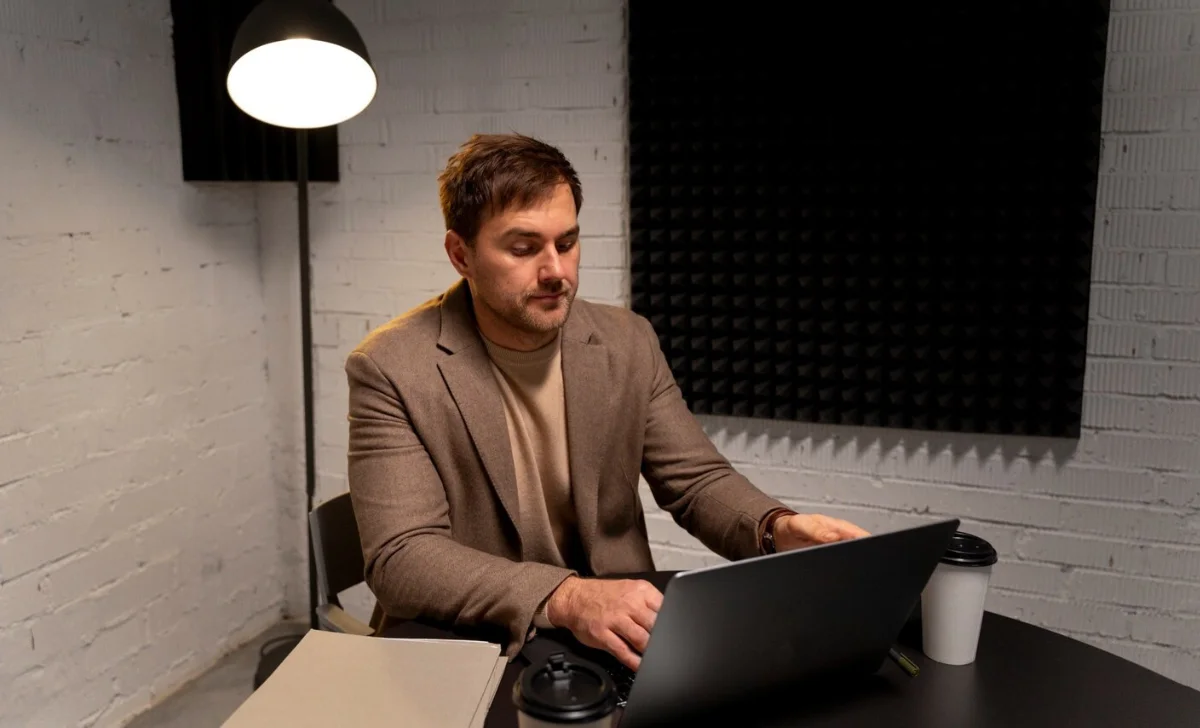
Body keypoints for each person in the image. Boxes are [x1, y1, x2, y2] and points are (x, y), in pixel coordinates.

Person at [344, 133, 870, 671]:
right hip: (468, 647)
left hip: (610, 635)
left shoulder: (628, 340)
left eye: (567, 243)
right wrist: (569, 597)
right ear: (461, 255)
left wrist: (774, 528)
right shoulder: (390, 366)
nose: (555, 271)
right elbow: (401, 557)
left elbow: (695, 481)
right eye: (523, 248)